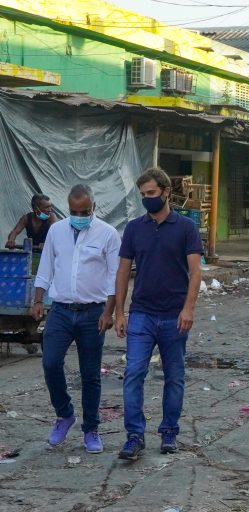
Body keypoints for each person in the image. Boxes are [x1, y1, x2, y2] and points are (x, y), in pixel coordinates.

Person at [115, 167, 203, 461]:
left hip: (174, 316)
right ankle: (134, 436)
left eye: (151, 193)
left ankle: (169, 432)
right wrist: (119, 312)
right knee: (133, 374)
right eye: (142, 195)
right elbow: (123, 271)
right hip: (141, 313)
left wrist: (188, 308)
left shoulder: (185, 227)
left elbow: (195, 272)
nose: (147, 199)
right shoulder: (134, 228)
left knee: (174, 377)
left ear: (166, 192)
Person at [32, 184, 120, 454]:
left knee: (90, 374)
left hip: (93, 313)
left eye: (84, 211)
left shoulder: (108, 234)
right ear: (67, 208)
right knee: (50, 363)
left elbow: (115, 277)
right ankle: (64, 414)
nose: (79, 215)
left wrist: (110, 311)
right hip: (60, 310)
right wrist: (38, 300)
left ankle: (91, 429)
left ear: (94, 207)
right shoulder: (56, 231)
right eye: (73, 211)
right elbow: (46, 266)